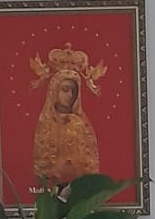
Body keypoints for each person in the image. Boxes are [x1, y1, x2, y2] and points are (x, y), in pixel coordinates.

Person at [31, 46, 103, 185]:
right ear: (54, 91)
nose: (70, 95)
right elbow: (40, 165)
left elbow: (89, 166)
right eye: (65, 90)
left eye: (73, 91)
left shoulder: (81, 125)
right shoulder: (45, 124)